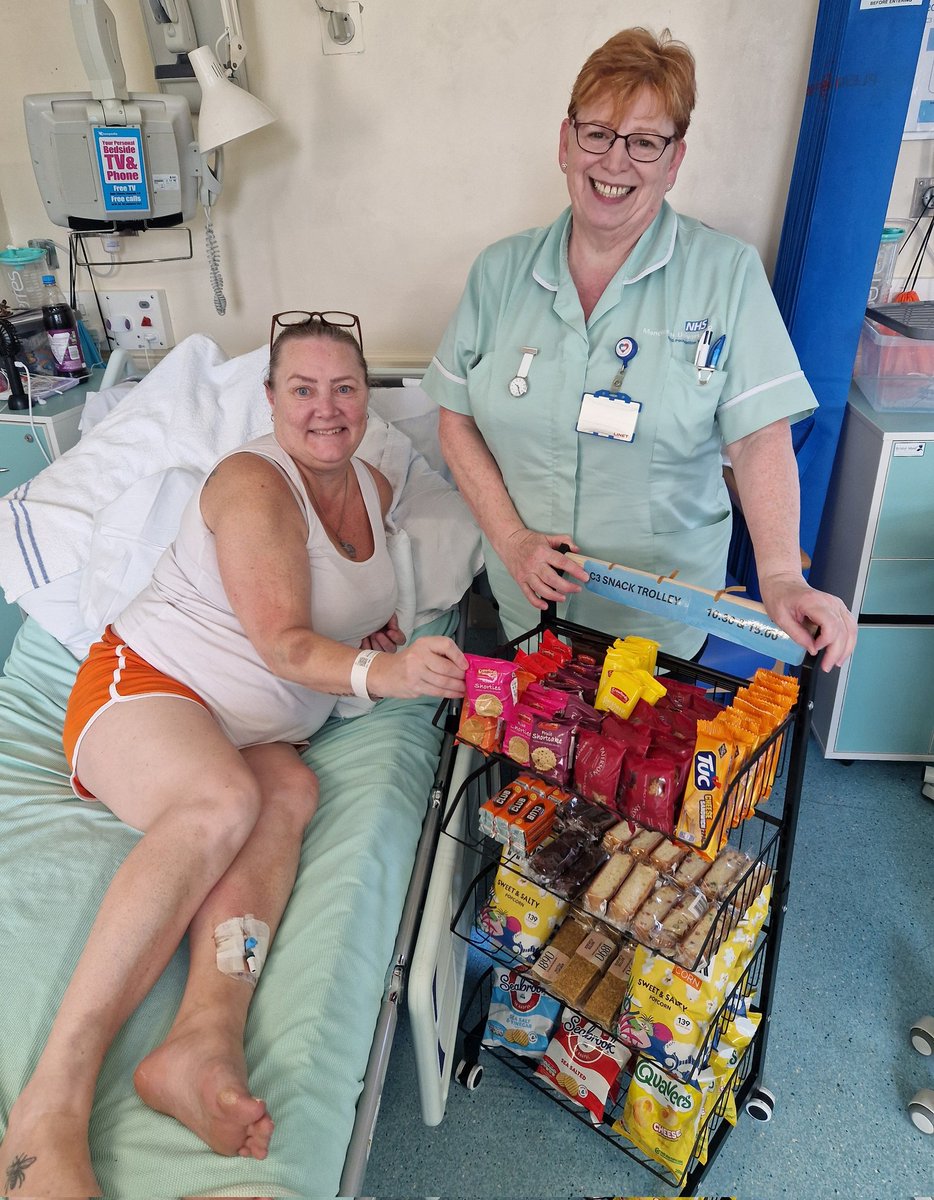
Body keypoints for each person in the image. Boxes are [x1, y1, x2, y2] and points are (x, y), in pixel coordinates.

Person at [0, 313, 467, 1197]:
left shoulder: (370, 485)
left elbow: (339, 593)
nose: (325, 409)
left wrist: (378, 623)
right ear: (269, 401)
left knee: (286, 789)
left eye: (345, 388)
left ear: (367, 398)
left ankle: (200, 1039)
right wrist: (385, 671)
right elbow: (288, 643)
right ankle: (49, 1104)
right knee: (221, 802)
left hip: (258, 735)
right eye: (303, 389)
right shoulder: (254, 482)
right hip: (147, 691)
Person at [424, 26, 857, 670]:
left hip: (663, 617)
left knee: (642, 762)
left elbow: (758, 439)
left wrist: (780, 575)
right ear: (566, 142)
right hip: (527, 603)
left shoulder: (726, 274)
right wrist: (511, 539)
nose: (615, 161)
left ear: (676, 159)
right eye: (597, 133)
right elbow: (455, 419)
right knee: (538, 757)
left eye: (646, 142)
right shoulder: (498, 273)